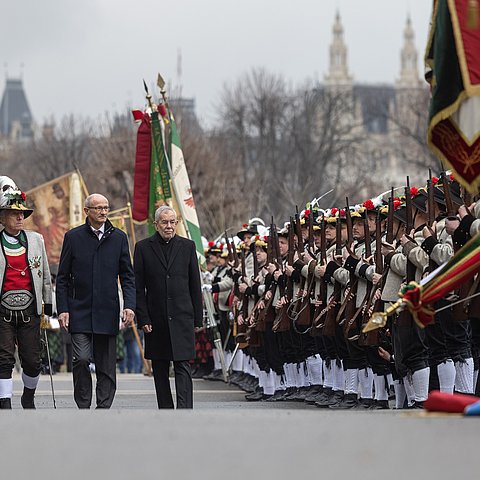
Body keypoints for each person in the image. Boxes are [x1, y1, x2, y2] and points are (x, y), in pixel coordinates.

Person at [56, 193, 135, 409]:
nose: (103, 212)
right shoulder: (73, 237)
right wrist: (62, 309)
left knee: (106, 365)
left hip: (107, 310)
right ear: (86, 211)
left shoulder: (118, 237)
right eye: (98, 208)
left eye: (106, 208)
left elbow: (128, 275)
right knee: (81, 359)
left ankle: (103, 407)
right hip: (79, 310)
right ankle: (83, 404)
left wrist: (129, 305)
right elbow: (62, 277)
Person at [134, 205, 203, 409]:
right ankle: (165, 409)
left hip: (183, 316)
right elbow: (139, 287)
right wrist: (143, 318)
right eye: (164, 222)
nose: (169, 226)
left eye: (173, 222)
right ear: (156, 224)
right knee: (160, 366)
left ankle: (185, 409)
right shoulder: (143, 248)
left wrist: (198, 319)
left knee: (183, 365)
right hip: (156, 318)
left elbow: (194, 285)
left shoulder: (188, 246)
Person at [0, 184, 52, 409]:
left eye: (22, 213)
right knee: (3, 359)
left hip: (30, 310)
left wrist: (48, 305)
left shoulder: (36, 240)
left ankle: (28, 396)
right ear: (2, 217)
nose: (20, 217)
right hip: (2, 311)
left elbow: (47, 275)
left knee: (32, 361)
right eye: (14, 213)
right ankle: (4, 401)